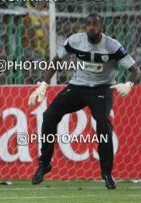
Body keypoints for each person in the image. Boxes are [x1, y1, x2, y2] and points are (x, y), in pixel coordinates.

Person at [28, 13, 139, 189]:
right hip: (78, 87)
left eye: (95, 24)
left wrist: (129, 84)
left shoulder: (112, 46)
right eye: (88, 24)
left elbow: (134, 69)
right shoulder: (75, 41)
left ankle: (107, 173)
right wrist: (43, 85)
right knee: (49, 115)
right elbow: (56, 61)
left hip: (103, 87)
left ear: (101, 27)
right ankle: (44, 164)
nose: (91, 27)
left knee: (103, 124)